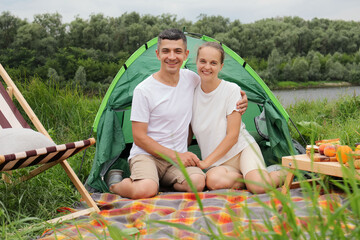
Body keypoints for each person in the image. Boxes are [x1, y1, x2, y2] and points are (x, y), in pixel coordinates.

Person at [108, 29, 249, 199]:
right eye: (166, 51)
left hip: (177, 159)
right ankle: (115, 184)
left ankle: (161, 181)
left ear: (186, 54)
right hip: (146, 155)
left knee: (197, 182)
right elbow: (139, 137)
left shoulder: (191, 79)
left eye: (178, 51)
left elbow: (216, 86)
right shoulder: (144, 90)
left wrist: (240, 97)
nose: (172, 56)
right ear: (158, 54)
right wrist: (177, 156)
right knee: (146, 189)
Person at [191, 42, 284, 194]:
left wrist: (205, 162)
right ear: (196, 62)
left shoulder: (231, 90)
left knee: (259, 187)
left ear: (221, 66)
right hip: (218, 161)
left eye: (213, 63)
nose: (207, 67)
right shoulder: (191, 92)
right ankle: (249, 177)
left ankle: (285, 172)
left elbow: (233, 136)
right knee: (212, 181)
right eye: (203, 61)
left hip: (241, 150)